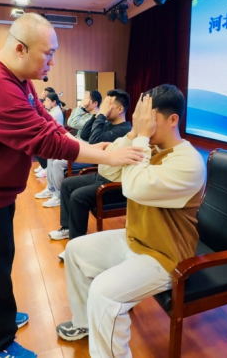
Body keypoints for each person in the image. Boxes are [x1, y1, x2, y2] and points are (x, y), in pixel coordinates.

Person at [0, 12, 144, 358]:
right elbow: (43, 140)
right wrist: (106, 156)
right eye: (48, 53)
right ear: (21, 48)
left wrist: (92, 148)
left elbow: (46, 124)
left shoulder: (18, 79)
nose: (52, 61)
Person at [57, 85, 207, 358]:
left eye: (147, 119)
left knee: (104, 293)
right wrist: (132, 135)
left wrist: (141, 139)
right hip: (135, 239)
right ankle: (85, 323)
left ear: (173, 120)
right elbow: (108, 169)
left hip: (166, 255)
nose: (141, 124)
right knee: (74, 250)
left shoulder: (189, 163)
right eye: (138, 117)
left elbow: (135, 187)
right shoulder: (148, 146)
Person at [37, 90, 132, 209]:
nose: (105, 107)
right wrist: (97, 115)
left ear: (120, 109)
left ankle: (57, 196)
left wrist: (101, 114)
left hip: (106, 174)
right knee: (65, 181)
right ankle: (53, 191)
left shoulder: (124, 130)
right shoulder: (108, 124)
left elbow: (94, 140)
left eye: (109, 104)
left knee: (75, 193)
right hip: (99, 167)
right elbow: (85, 134)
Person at [34, 90, 101, 179]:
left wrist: (81, 106)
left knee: (57, 162)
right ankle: (50, 186)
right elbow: (69, 122)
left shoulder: (96, 119)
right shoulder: (86, 115)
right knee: (51, 157)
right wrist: (80, 107)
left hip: (85, 151)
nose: (83, 101)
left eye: (86, 98)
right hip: (78, 147)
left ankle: (57, 188)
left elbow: (74, 123)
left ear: (95, 103)